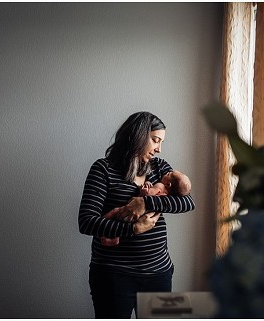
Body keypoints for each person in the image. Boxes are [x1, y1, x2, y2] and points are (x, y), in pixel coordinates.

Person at [78, 111, 195, 318]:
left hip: (158, 273)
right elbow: (86, 222)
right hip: (114, 277)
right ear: (139, 135)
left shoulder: (159, 168)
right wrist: (132, 229)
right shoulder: (103, 170)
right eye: (155, 140)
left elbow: (187, 202)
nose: (159, 149)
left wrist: (144, 202)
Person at [101, 170, 192, 246]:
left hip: (137, 213)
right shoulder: (168, 192)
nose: (167, 172)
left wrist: (144, 192)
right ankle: (115, 237)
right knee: (122, 221)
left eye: (169, 174)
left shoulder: (160, 184)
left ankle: (102, 224)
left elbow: (148, 194)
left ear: (168, 184)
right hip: (145, 215)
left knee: (115, 212)